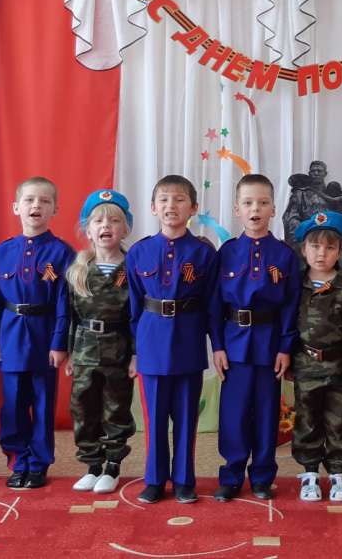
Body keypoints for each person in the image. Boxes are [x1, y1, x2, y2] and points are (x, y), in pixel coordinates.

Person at [126, 175, 218, 504]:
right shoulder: (139, 252)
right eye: (163, 199)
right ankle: (154, 480)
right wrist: (134, 351)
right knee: (154, 419)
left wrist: (217, 346)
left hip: (188, 342)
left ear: (193, 208)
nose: (171, 205)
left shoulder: (204, 253)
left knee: (186, 417)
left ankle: (183, 480)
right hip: (150, 343)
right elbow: (133, 307)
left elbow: (212, 305)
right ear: (153, 207)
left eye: (179, 199)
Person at [210, 174, 301, 502]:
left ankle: (262, 475)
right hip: (234, 343)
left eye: (263, 203)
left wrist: (285, 347)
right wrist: (217, 345)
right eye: (248, 203)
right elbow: (214, 304)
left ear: (273, 209)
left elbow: (291, 305)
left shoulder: (285, 255)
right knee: (233, 414)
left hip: (269, 343)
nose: (255, 209)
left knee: (265, 413)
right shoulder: (227, 252)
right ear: (237, 209)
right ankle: (232, 474)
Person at [0, 177, 75, 490]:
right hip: (11, 335)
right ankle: (17, 460)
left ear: (55, 209)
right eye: (29, 200)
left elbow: (65, 303)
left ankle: (38, 464)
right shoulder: (1, 252)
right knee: (13, 403)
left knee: (42, 403)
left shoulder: (62, 252)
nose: (36, 206)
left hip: (44, 335)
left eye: (44, 201)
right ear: (16, 207)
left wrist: (59, 342)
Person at [289, 211, 342, 502]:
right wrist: (288, 361)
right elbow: (288, 327)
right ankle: (309, 472)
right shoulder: (296, 285)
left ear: (339, 250)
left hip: (338, 369)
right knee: (307, 421)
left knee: (339, 422)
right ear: (303, 249)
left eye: (329, 247)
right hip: (306, 367)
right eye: (315, 246)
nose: (321, 253)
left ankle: (338, 472)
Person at [66, 189, 138, 495]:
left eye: (114, 220)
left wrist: (136, 355)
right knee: (83, 408)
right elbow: (70, 316)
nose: (106, 225)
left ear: (125, 229)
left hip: (118, 349)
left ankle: (112, 466)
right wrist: (69, 352)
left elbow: (137, 316)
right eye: (98, 221)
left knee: (115, 409)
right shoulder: (79, 269)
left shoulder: (133, 268)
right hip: (84, 350)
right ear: (88, 229)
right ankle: (93, 465)